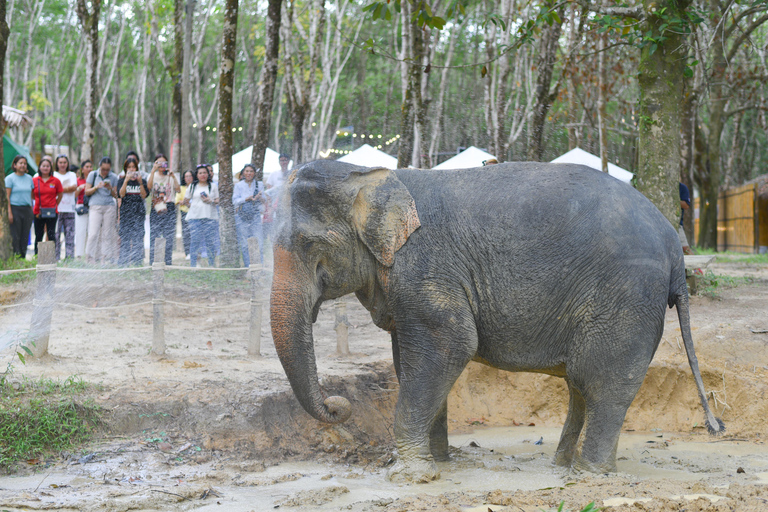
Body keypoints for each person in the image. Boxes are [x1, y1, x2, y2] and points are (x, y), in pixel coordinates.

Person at [182, 165, 219, 267]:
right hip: (194, 218)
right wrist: (192, 206)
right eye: (200, 173)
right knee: (195, 241)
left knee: (210, 242)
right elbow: (186, 200)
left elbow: (218, 200)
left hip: (210, 217)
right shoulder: (192, 186)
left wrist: (210, 201)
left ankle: (211, 264)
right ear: (196, 175)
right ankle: (194, 264)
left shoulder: (213, 186)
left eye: (205, 173)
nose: (203, 175)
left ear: (208, 174)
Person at [85, 157, 119, 264]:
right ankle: (89, 257)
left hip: (109, 206)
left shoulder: (113, 177)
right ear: (99, 166)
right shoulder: (93, 175)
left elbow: (116, 195)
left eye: (107, 169)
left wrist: (110, 188)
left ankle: (105, 257)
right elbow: (86, 191)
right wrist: (96, 187)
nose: (105, 172)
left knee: (107, 234)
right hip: (95, 206)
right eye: (103, 169)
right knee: (93, 233)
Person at [147, 154, 179, 265]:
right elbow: (149, 187)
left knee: (168, 236)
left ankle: (168, 262)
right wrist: (152, 171)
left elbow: (178, 190)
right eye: (158, 163)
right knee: (154, 235)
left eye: (164, 163)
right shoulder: (153, 175)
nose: (161, 165)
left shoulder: (170, 176)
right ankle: (152, 261)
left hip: (169, 206)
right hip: (156, 206)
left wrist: (173, 176)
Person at [117, 158, 148, 265]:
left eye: (133, 167)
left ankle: (137, 261)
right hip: (126, 214)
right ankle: (123, 262)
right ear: (125, 169)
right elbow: (121, 194)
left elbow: (144, 196)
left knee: (138, 238)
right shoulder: (121, 180)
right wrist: (126, 180)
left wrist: (140, 183)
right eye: (129, 167)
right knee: (125, 238)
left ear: (137, 168)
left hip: (138, 214)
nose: (131, 169)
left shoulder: (142, 181)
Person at [233, 164, 266, 266]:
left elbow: (264, 200)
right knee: (244, 243)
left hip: (255, 215)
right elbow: (234, 201)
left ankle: (259, 266)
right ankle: (248, 267)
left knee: (259, 242)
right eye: (247, 171)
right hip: (242, 216)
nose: (249, 173)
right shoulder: (238, 185)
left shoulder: (259, 184)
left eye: (251, 171)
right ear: (243, 173)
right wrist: (246, 198)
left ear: (254, 173)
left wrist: (259, 197)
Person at [32, 156, 63, 255]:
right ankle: (37, 256)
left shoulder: (56, 181)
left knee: (51, 234)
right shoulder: (35, 180)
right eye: (43, 166)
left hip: (52, 211)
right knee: (38, 235)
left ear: (51, 168)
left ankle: (52, 256)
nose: (45, 168)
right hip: (38, 211)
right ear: (40, 167)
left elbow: (60, 194)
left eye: (47, 166)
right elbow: (32, 194)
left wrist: (54, 204)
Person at [5, 155, 35, 258]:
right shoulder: (10, 178)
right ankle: (16, 257)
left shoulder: (29, 178)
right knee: (15, 235)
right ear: (15, 165)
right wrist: (9, 213)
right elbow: (7, 197)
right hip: (15, 209)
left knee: (25, 235)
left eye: (24, 163)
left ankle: (23, 256)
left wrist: (31, 211)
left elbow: (31, 196)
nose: (23, 165)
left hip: (27, 210)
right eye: (20, 163)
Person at [53, 154, 77, 260]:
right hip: (57, 209)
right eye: (60, 162)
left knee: (70, 235)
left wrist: (60, 189)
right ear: (57, 164)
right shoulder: (53, 175)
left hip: (70, 209)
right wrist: (66, 188)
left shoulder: (72, 174)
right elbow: (53, 190)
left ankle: (70, 258)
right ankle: (56, 258)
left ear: (67, 164)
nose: (62, 165)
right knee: (56, 235)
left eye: (64, 162)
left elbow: (74, 188)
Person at [263, 153, 291, 243]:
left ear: (289, 161)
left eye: (285, 160)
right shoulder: (274, 174)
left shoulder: (292, 173)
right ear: (279, 161)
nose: (283, 162)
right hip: (275, 207)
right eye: (281, 160)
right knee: (274, 229)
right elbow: (268, 192)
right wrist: (270, 206)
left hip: (287, 207)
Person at [74, 160, 92, 258]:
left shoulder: (94, 179)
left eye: (91, 167)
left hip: (92, 207)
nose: (89, 169)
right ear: (82, 169)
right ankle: (79, 255)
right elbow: (74, 196)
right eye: (87, 167)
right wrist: (79, 188)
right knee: (80, 231)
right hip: (80, 206)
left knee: (91, 232)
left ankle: (90, 255)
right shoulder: (78, 180)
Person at [175, 170, 194, 260]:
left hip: (195, 212)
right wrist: (182, 202)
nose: (188, 178)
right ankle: (187, 252)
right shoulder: (181, 188)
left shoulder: (195, 187)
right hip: (184, 212)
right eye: (186, 176)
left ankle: (195, 251)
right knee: (186, 232)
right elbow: (177, 200)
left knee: (194, 232)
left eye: (190, 176)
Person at [679, 182, 693, 255]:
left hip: (677, 224)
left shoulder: (682, 187)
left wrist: (673, 200)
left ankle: (697, 266)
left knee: (685, 248)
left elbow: (686, 205)